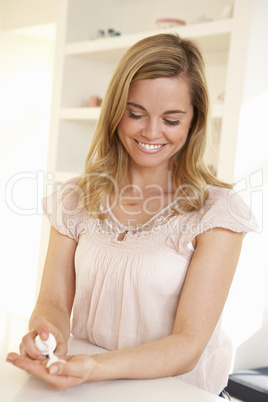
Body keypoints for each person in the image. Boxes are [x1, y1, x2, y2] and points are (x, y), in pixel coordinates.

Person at [7, 33, 257, 396]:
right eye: (136, 113)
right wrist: (47, 333)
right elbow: (54, 302)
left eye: (171, 120)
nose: (151, 133)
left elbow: (188, 345)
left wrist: (96, 368)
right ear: (115, 111)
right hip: (85, 387)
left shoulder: (217, 212)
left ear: (194, 122)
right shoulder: (77, 198)